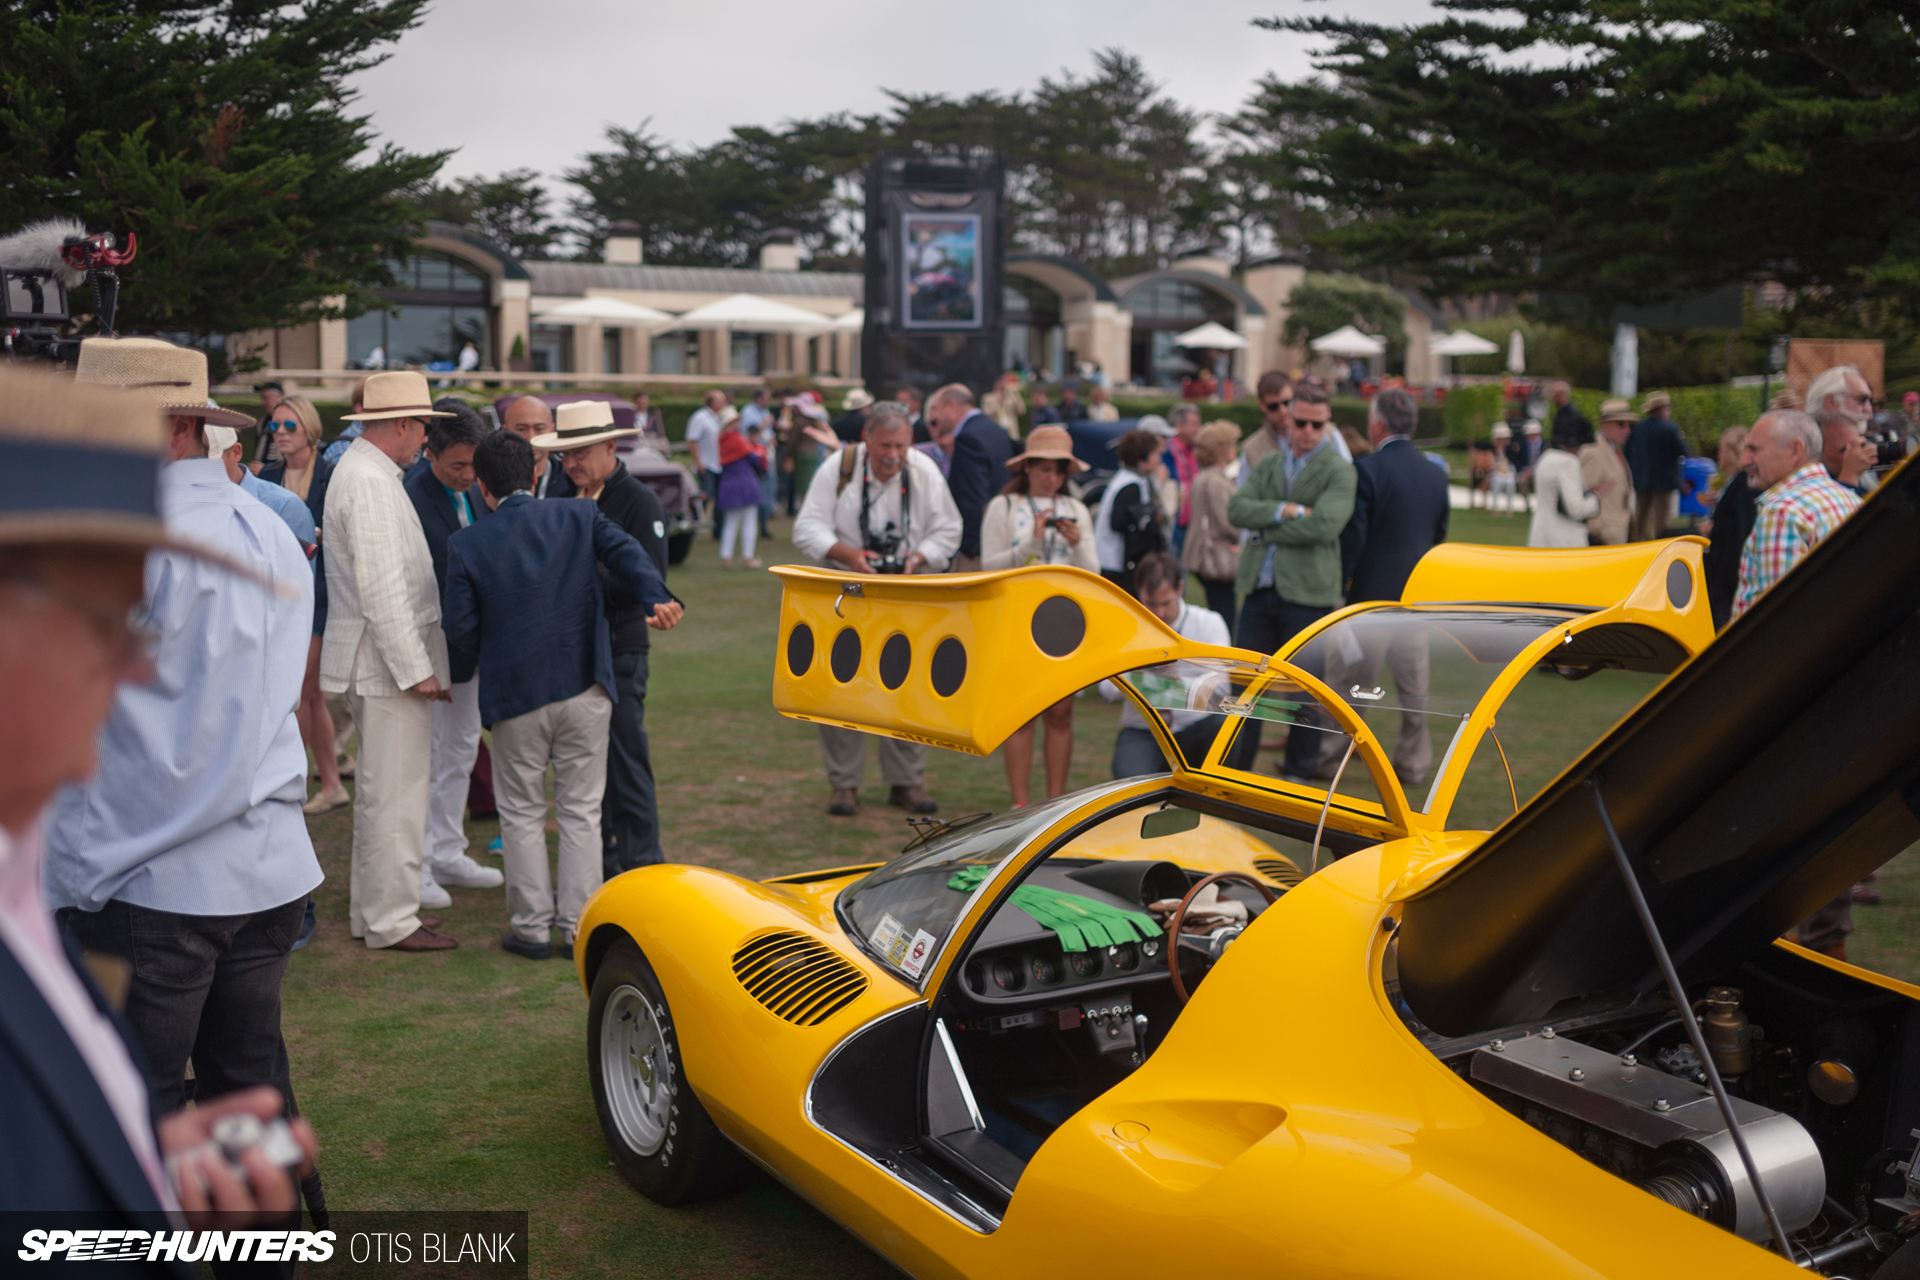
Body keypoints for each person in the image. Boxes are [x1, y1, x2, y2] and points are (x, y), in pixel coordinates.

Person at [0, 361, 319, 1229]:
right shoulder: (265, 525)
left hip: (155, 871)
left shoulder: (133, 538)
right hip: (260, 860)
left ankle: (199, 1240)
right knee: (248, 1077)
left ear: (180, 429)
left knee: (134, 1099)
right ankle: (280, 1239)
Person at [442, 432, 682, 961]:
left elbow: (459, 626)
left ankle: (530, 928)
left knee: (522, 813)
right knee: (580, 809)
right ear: (534, 475)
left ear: (482, 487)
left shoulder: (468, 543)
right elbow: (629, 552)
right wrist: (657, 595)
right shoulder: (575, 517)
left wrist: (497, 647)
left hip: (514, 695)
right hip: (584, 685)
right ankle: (578, 925)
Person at [320, 370, 458, 953]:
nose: (426, 437)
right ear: (402, 424)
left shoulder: (370, 472)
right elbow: (381, 588)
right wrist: (416, 668)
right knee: (394, 796)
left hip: (378, 662)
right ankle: (389, 920)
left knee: (387, 793)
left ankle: (378, 911)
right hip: (384, 666)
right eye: (424, 425)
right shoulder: (370, 481)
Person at [792, 403, 961, 816]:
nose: (893, 455)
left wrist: (918, 558)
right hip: (847, 594)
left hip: (906, 593)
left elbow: (949, 529)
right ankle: (844, 784)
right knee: (840, 686)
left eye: (901, 446)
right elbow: (807, 527)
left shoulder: (923, 471)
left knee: (906, 687)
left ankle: (906, 781)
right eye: (885, 446)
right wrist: (848, 555)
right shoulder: (839, 467)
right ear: (866, 440)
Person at [541, 402, 673, 881]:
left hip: (620, 648)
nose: (571, 464)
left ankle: (643, 865)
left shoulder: (639, 502)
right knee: (581, 771)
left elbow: (648, 582)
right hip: (572, 651)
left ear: (612, 447)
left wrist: (575, 580)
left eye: (580, 453)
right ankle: (604, 864)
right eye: (565, 454)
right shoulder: (559, 494)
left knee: (625, 762)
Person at [1227, 383, 1356, 782]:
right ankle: (1234, 771)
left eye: (1317, 424)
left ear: (1327, 422)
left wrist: (1268, 527)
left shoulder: (1340, 470)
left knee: (1306, 689)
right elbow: (1236, 509)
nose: (1307, 430)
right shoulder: (1268, 464)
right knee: (1244, 687)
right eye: (1300, 421)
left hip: (1308, 593)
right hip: (1260, 589)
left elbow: (1326, 525)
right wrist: (1286, 510)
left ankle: (1300, 773)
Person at [402, 401, 503, 911]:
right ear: (430, 451)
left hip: (473, 650)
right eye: (456, 466)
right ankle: (417, 864)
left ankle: (447, 850)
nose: (467, 476)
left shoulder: (481, 490)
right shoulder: (410, 496)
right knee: (430, 756)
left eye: (472, 465)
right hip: (430, 650)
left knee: (461, 750)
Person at [1329, 387, 1451, 786]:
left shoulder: (1367, 470)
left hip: (1370, 600)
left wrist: (1344, 588)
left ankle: (1333, 758)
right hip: (1415, 597)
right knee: (1414, 689)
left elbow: (1354, 539)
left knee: (1350, 687)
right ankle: (1413, 764)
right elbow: (1439, 535)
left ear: (1378, 424)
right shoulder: (1435, 473)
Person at [981, 427, 1098, 806]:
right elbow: (988, 567)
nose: (1052, 477)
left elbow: (1094, 575)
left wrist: (1077, 543)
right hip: (1016, 618)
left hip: (1065, 622)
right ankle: (1019, 805)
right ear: (1027, 467)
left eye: (1059, 471)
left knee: (1061, 714)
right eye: (1044, 468)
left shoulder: (1077, 510)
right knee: (1021, 715)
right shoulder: (1004, 506)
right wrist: (1031, 542)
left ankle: (1055, 805)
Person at [1104, 552, 1232, 777]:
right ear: (1139, 593)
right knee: (1128, 789)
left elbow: (1222, 691)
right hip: (1144, 731)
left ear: (1180, 588)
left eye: (1166, 603)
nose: (1160, 613)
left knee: (1227, 727)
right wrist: (1136, 672)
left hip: (1195, 730)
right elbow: (1105, 690)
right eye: (1151, 604)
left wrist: (1177, 683)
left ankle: (1213, 793)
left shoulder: (1209, 623)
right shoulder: (1127, 629)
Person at [1732, 409, 1862, 620]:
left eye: (1754, 450)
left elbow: (1781, 620)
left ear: (1795, 450)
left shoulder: (1782, 513)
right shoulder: (1851, 500)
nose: (1744, 461)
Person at [936, 383, 1014, 572]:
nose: (936, 419)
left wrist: (967, 548)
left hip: (977, 551)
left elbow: (972, 500)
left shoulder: (967, 438)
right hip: (1001, 538)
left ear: (951, 405)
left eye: (937, 409)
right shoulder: (994, 430)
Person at [1180, 420, 1243, 630]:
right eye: (1232, 444)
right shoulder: (1216, 481)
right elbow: (1228, 521)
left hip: (1202, 553)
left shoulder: (1203, 477)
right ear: (1221, 449)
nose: (1236, 447)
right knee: (1225, 616)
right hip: (1216, 557)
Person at [1094, 428, 1169, 592]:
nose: (1159, 459)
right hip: (1115, 563)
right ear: (1141, 460)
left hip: (1114, 561)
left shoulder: (1129, 479)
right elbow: (1118, 521)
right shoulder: (1131, 485)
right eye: (1155, 454)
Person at [1701, 425, 1756, 628]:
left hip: (1727, 573)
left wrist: (1713, 529)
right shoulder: (1735, 481)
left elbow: (1738, 526)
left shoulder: (1742, 483)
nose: (1718, 455)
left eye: (1721, 450)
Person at [1528, 418, 1607, 547]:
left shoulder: (1546, 457)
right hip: (1563, 538)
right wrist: (1596, 496)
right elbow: (1576, 509)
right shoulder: (1569, 462)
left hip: (1542, 533)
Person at [1622, 390, 1686, 541]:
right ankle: (1661, 546)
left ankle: (1637, 545)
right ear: (1662, 409)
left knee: (1641, 516)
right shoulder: (1670, 428)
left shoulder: (1637, 429)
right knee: (1662, 520)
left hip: (1641, 480)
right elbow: (1683, 451)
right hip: (1664, 482)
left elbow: (1627, 452)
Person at [1805, 365, 1878, 496]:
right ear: (1831, 402)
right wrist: (1849, 477)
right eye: (1861, 400)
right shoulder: (1804, 464)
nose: (1869, 410)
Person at [714, 407, 766, 569]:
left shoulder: (722, 439)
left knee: (731, 521)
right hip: (745, 482)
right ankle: (747, 557)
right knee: (749, 520)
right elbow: (754, 458)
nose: (738, 423)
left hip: (729, 483)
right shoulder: (737, 438)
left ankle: (727, 557)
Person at [1581, 399, 1637, 546]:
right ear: (1603, 424)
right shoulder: (1593, 451)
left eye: (1630, 425)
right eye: (1621, 424)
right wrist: (1597, 531)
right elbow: (1585, 493)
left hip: (1618, 534)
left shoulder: (1613, 449)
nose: (1627, 429)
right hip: (1603, 539)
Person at [498, 394, 564, 498]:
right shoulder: (494, 478)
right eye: (521, 429)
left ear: (552, 430)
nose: (531, 438)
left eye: (539, 429)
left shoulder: (569, 477)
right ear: (505, 431)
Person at [684, 389, 726, 536]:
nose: (723, 404)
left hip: (717, 465)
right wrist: (699, 462)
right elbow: (691, 440)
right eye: (721, 401)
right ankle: (693, 528)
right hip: (706, 464)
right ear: (713, 402)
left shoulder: (715, 418)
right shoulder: (700, 418)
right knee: (704, 497)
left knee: (720, 498)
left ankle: (718, 531)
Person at [1163, 404, 1201, 557]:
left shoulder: (1194, 451)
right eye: (1194, 424)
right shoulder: (1167, 451)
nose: (1198, 428)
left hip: (1189, 521)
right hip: (1173, 521)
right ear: (1178, 426)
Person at [741, 387, 778, 536]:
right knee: (760, 489)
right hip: (755, 456)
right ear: (758, 398)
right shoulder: (749, 412)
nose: (769, 401)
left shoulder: (764, 411)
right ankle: (758, 524)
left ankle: (764, 522)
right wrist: (764, 423)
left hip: (766, 453)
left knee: (768, 488)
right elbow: (750, 433)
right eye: (766, 398)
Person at [250, 379, 286, 472]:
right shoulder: (263, 422)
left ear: (279, 397)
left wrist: (267, 470)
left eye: (266, 398)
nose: (263, 402)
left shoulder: (290, 422)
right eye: (261, 398)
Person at [1548, 380, 1593, 448]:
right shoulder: (1560, 413)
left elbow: (1574, 439)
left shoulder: (1572, 415)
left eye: (1556, 395)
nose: (1553, 398)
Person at [917, 405, 958, 478]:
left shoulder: (972, 455)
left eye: (946, 422)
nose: (941, 428)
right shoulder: (917, 454)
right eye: (934, 423)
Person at [1487, 424, 1520, 515]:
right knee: (1497, 482)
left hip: (1508, 474)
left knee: (1510, 482)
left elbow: (1513, 464)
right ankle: (1495, 507)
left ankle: (1509, 508)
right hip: (1496, 474)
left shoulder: (1511, 450)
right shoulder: (1492, 450)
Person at [982, 371, 1025, 437]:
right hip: (996, 432)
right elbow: (987, 414)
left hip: (1012, 432)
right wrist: (998, 399)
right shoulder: (987, 398)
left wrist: (1015, 394)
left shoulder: (1011, 396)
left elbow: (1021, 410)